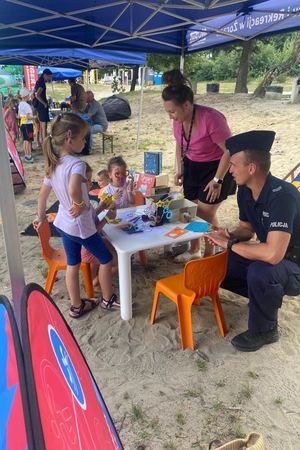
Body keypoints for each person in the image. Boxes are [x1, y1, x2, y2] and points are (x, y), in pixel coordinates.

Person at [206, 130, 300, 352]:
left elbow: (273, 254)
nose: (229, 170)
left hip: (294, 264)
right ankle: (264, 299)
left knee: (261, 272)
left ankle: (265, 330)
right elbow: (247, 229)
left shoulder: (282, 196)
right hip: (273, 256)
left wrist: (231, 245)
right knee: (221, 266)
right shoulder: (245, 191)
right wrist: (230, 236)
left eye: (234, 165)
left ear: (252, 168)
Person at [33, 113, 120, 317]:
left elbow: (42, 198)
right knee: (106, 260)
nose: (85, 142)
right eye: (83, 138)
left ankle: (76, 306)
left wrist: (41, 217)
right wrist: (79, 203)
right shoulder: (76, 164)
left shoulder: (53, 165)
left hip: (64, 225)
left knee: (73, 264)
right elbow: (74, 188)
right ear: (70, 140)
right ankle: (108, 300)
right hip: (80, 227)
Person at [162, 69, 235, 261]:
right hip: (193, 167)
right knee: (196, 212)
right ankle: (200, 248)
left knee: (203, 213)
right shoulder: (179, 120)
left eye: (172, 111)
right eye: (167, 112)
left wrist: (217, 179)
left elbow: (230, 150)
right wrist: (181, 169)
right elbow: (179, 144)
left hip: (216, 169)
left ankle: (207, 253)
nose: (170, 116)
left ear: (187, 105)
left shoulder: (211, 118)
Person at [81, 163, 118, 293]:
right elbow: (92, 230)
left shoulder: (83, 200)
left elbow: (91, 217)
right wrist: (107, 218)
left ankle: (93, 279)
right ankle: (94, 284)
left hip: (91, 243)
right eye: (88, 180)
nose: (92, 183)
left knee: (115, 248)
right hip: (89, 247)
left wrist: (101, 207)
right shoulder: (81, 206)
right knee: (119, 261)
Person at [33, 68, 52, 144]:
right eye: (49, 76)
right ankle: (44, 144)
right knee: (44, 127)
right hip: (42, 107)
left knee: (42, 126)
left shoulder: (39, 81)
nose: (50, 78)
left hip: (39, 106)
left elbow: (34, 94)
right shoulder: (41, 83)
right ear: (45, 75)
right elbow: (37, 95)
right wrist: (44, 103)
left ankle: (41, 143)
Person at [18, 88, 34, 163]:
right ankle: (29, 156)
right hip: (27, 124)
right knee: (28, 140)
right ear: (26, 96)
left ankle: (26, 155)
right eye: (28, 95)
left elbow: (19, 115)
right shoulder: (27, 105)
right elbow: (28, 116)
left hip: (22, 123)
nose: (29, 96)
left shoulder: (20, 104)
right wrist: (34, 117)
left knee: (25, 140)